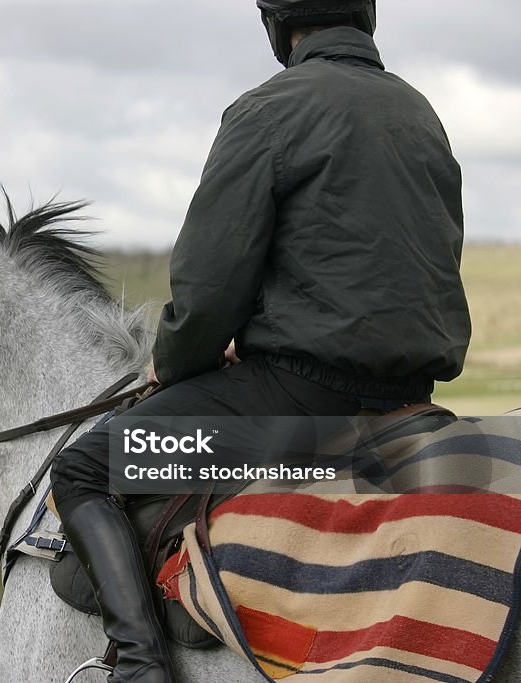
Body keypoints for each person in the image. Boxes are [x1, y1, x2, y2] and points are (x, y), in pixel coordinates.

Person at [49, 1, 471, 680]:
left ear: (278, 22)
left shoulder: (268, 109)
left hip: (295, 410)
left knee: (80, 470)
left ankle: (137, 663)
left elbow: (211, 286)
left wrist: (176, 358)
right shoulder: (421, 115)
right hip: (409, 406)